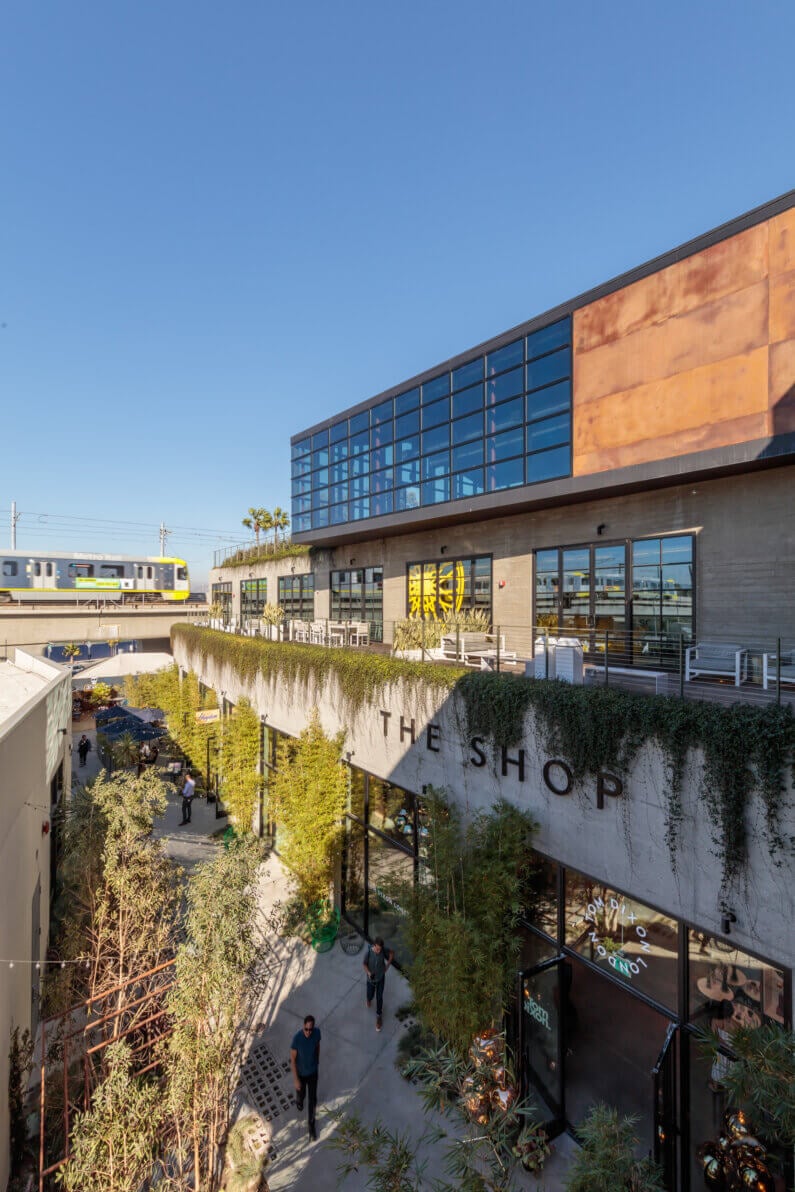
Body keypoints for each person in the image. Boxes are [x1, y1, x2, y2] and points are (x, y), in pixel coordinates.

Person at [290, 1015, 321, 1140]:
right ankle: (299, 1100)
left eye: (310, 1029)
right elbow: (292, 1059)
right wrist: (296, 1079)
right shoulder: (297, 1039)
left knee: (312, 1100)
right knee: (301, 1095)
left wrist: (317, 1059)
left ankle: (311, 1125)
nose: (308, 1032)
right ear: (303, 1026)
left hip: (313, 1072)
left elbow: (318, 1045)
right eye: (306, 1029)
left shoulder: (317, 1033)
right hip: (301, 1075)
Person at [363, 937, 394, 1032]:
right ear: (374, 945)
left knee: (379, 997)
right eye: (377, 948)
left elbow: (392, 953)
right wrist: (369, 973)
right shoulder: (368, 952)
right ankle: (368, 999)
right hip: (371, 980)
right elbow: (364, 964)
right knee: (370, 994)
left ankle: (379, 1017)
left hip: (381, 978)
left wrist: (387, 965)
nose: (378, 951)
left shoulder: (383, 950)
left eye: (380, 949)